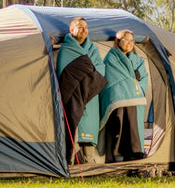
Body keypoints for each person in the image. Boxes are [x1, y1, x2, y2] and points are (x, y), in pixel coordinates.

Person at [56, 17, 107, 164]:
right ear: (72, 30)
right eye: (80, 27)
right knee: (74, 125)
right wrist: (87, 71)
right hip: (73, 95)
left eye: (86, 27)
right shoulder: (66, 50)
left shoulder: (93, 49)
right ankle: (72, 159)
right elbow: (64, 74)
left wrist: (85, 76)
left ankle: (89, 160)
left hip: (90, 96)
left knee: (89, 126)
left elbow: (100, 71)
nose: (84, 30)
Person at [99, 29, 148, 162]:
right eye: (126, 40)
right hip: (118, 100)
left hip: (135, 99)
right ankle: (116, 156)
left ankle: (135, 153)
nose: (130, 43)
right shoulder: (111, 59)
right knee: (119, 126)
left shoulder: (138, 60)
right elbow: (111, 79)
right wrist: (132, 84)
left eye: (132, 41)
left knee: (134, 127)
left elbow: (144, 78)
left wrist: (136, 88)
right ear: (118, 41)